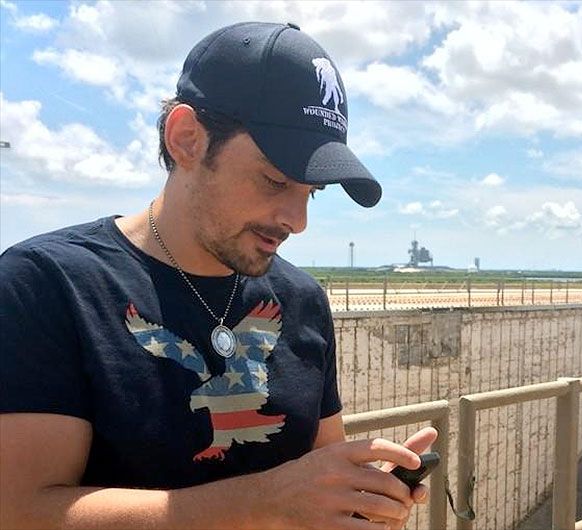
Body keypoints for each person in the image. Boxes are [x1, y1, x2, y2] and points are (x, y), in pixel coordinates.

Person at [0, 22, 437, 530]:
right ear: (187, 140)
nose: (297, 220)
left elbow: (313, 485)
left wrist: (356, 504)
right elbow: (19, 511)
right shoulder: (45, 284)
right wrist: (268, 500)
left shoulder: (301, 298)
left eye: (311, 192)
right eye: (274, 180)